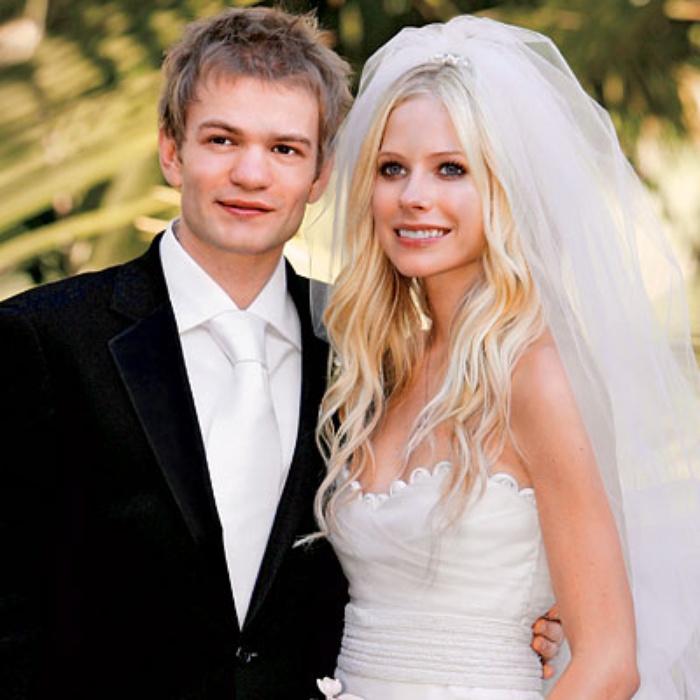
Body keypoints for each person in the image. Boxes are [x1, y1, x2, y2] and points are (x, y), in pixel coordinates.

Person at [0, 7, 562, 699]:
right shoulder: (41, 341)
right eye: (222, 140)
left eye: (285, 149)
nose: (251, 174)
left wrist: (524, 618)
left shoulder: (372, 353)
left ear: (322, 173)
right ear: (172, 151)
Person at [311, 14, 700, 700]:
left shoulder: (536, 375)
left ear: (506, 187)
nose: (414, 197)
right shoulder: (384, 366)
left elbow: (609, 664)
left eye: (452, 169)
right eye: (392, 168)